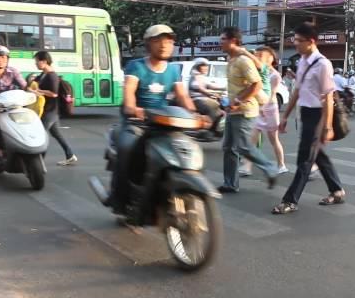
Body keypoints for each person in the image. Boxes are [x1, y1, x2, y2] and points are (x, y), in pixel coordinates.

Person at [109, 25, 205, 215]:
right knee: (127, 150)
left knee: (187, 150)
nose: (164, 45)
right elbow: (128, 94)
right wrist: (133, 109)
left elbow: (183, 97)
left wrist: (196, 114)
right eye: (158, 40)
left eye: (169, 41)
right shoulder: (136, 66)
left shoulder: (173, 70)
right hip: (137, 122)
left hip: (164, 122)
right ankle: (118, 198)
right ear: (148, 44)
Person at [271, 22, 344, 215]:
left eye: (298, 41)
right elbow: (297, 90)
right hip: (306, 113)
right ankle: (337, 190)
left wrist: (327, 126)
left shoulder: (323, 65)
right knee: (317, 155)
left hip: (319, 115)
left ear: (311, 42)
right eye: (294, 40)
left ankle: (290, 200)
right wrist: (285, 115)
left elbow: (329, 97)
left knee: (305, 159)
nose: (295, 44)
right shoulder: (302, 61)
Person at [218, 27, 278, 194]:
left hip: (245, 111)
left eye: (223, 39)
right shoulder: (231, 60)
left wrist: (238, 100)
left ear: (232, 41)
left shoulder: (243, 60)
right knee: (229, 148)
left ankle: (270, 168)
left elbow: (257, 84)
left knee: (243, 146)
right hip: (233, 110)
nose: (220, 42)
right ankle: (230, 183)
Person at [235, 46, 289, 176]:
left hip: (270, 109)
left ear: (270, 58)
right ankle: (247, 166)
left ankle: (281, 164)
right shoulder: (258, 71)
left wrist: (263, 107)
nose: (258, 57)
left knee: (274, 139)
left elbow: (272, 93)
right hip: (259, 109)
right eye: (258, 55)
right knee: (252, 139)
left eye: (261, 55)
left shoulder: (275, 75)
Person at [29, 51, 77, 165]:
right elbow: (34, 83)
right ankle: (70, 155)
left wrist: (38, 91)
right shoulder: (43, 74)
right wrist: (31, 84)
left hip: (50, 111)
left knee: (41, 134)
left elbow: (54, 93)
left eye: (37, 61)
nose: (36, 64)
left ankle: (39, 161)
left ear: (44, 61)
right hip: (48, 110)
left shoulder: (52, 76)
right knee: (56, 134)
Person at [188, 57, 225, 139]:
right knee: (213, 108)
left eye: (206, 66)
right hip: (197, 100)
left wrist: (225, 88)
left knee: (219, 110)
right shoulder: (195, 76)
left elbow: (211, 86)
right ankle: (207, 130)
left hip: (203, 99)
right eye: (203, 66)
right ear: (198, 67)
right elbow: (201, 89)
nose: (206, 68)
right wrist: (213, 94)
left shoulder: (202, 77)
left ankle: (213, 130)